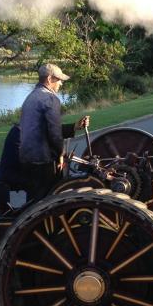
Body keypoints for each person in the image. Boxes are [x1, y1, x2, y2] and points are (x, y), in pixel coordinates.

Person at [18, 63, 90, 202]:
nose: (61, 83)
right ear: (50, 79)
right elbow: (55, 135)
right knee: (50, 202)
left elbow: (44, 129)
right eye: (59, 80)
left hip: (28, 159)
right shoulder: (50, 99)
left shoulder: (31, 97)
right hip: (44, 161)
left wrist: (74, 127)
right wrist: (60, 155)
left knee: (34, 202)